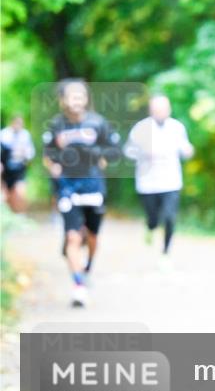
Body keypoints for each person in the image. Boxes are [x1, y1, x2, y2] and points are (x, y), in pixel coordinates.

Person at [42, 79, 123, 308]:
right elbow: (48, 155)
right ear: (63, 100)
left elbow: (115, 150)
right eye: (71, 95)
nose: (76, 100)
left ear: (86, 99)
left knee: (92, 237)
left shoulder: (98, 123)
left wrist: (95, 153)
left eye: (80, 95)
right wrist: (54, 167)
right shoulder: (56, 126)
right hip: (68, 187)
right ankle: (78, 286)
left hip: (94, 187)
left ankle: (87, 267)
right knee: (73, 237)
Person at [124, 95, 194, 261]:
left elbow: (184, 147)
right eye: (157, 109)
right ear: (151, 110)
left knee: (170, 217)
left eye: (164, 109)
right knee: (153, 219)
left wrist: (188, 151)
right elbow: (128, 151)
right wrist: (143, 153)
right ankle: (150, 228)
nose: (161, 112)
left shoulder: (177, 127)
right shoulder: (141, 129)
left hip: (170, 181)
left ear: (168, 109)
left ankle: (165, 253)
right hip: (147, 183)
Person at [1, 115, 35, 213]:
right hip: (6, 171)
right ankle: (11, 215)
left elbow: (30, 153)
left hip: (20, 169)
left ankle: (21, 214)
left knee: (20, 193)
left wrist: (26, 157)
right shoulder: (4, 135)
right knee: (7, 196)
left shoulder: (25, 135)